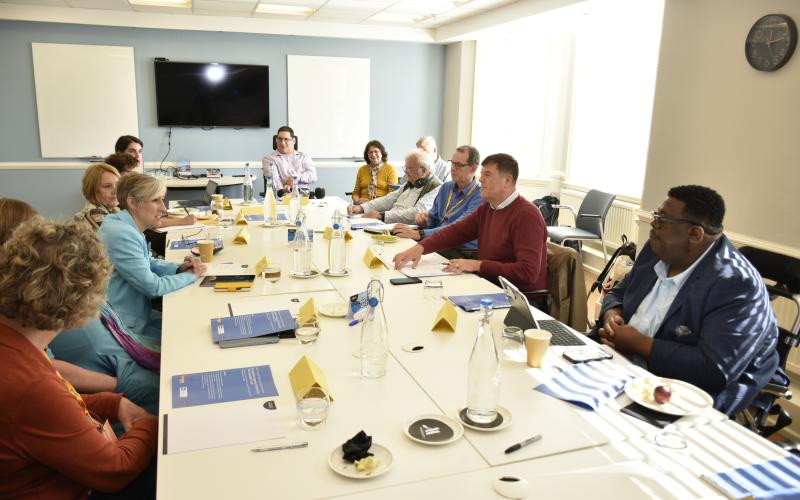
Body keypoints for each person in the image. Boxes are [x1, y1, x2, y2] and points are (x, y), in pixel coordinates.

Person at [0, 218, 158, 499]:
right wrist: (154, 423)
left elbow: (53, 410)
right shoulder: (29, 383)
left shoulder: (17, 348)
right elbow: (115, 471)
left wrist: (114, 402)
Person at [594, 185, 779, 416]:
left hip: (677, 390)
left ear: (695, 234)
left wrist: (637, 343)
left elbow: (713, 370)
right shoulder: (657, 250)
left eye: (662, 219)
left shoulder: (737, 285)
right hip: (619, 361)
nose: (653, 224)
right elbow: (618, 293)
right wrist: (613, 315)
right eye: (655, 216)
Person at [393, 153, 547, 294]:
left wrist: (477, 265)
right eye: (482, 174)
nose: (480, 179)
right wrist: (420, 247)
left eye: (487, 175)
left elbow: (528, 272)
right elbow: (456, 232)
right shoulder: (488, 208)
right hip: (487, 285)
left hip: (516, 299)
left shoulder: (527, 216)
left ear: (507, 180)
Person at [99, 173, 205, 345]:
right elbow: (153, 286)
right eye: (156, 200)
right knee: (188, 340)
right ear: (133, 202)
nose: (163, 208)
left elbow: (149, 262)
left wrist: (180, 268)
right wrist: (191, 276)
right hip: (123, 325)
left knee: (193, 327)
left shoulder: (123, 224)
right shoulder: (121, 233)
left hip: (138, 314)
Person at [394, 145, 483, 259]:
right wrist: (424, 220)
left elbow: (458, 229)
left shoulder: (480, 195)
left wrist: (419, 234)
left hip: (461, 249)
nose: (453, 168)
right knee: (398, 242)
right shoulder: (446, 187)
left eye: (459, 165)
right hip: (440, 242)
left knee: (411, 254)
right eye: (452, 163)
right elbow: (434, 219)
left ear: (473, 168)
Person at [348, 149, 442, 224]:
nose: (406, 172)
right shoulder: (412, 181)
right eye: (406, 167)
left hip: (404, 229)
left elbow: (417, 213)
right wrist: (362, 208)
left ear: (424, 170)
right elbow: (389, 199)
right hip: (389, 224)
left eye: (410, 168)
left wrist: (382, 216)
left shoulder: (436, 187)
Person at [261, 126, 317, 193]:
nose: (282, 143)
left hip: (304, 196)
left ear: (293, 141)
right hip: (282, 197)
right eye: (280, 139)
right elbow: (276, 182)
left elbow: (313, 176)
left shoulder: (303, 157)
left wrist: (295, 178)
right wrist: (284, 192)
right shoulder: (269, 159)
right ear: (276, 140)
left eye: (286, 139)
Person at [75, 163, 121, 230]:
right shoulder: (94, 213)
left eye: (118, 184)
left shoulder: (113, 210)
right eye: (107, 186)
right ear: (92, 189)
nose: (115, 191)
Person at [351, 140, 398, 204]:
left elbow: (392, 195)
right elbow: (356, 192)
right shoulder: (362, 169)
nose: (373, 154)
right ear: (367, 155)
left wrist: (371, 203)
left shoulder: (390, 169)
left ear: (381, 153)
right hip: (361, 204)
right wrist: (358, 201)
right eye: (370, 152)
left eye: (376, 151)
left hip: (381, 205)